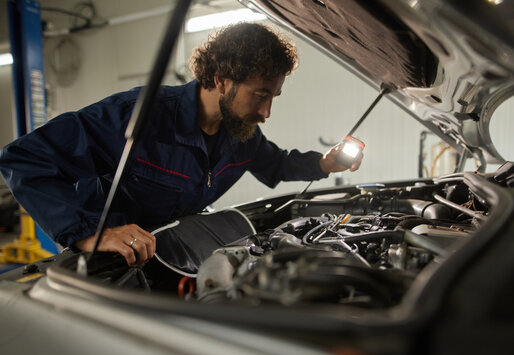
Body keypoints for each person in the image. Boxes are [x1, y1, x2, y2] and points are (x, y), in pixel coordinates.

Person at [0, 23, 362, 266]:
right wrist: (90, 234)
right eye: (260, 95)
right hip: (117, 267)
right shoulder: (137, 116)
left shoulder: (241, 133)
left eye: (274, 97)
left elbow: (278, 164)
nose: (266, 112)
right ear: (221, 80)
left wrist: (325, 164)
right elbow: (25, 160)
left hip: (181, 258)